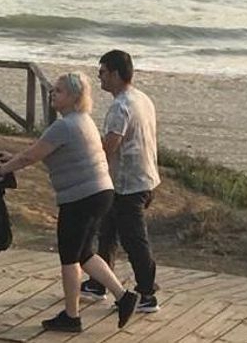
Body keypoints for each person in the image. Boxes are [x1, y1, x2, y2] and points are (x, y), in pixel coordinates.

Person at [0, 73, 139, 332]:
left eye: (59, 91)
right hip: (101, 193)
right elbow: (39, 153)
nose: (52, 94)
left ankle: (71, 316)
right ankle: (124, 297)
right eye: (53, 90)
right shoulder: (82, 121)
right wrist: (11, 158)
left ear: (73, 97)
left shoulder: (64, 126)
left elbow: (29, 158)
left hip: (82, 198)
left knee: (69, 257)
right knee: (84, 254)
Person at [81, 50, 160, 313]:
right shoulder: (142, 98)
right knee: (107, 232)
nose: (99, 77)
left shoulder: (120, 106)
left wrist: (88, 164)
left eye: (102, 72)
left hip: (129, 184)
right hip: (139, 178)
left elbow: (110, 146)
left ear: (115, 74)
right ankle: (99, 282)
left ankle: (147, 293)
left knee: (133, 239)